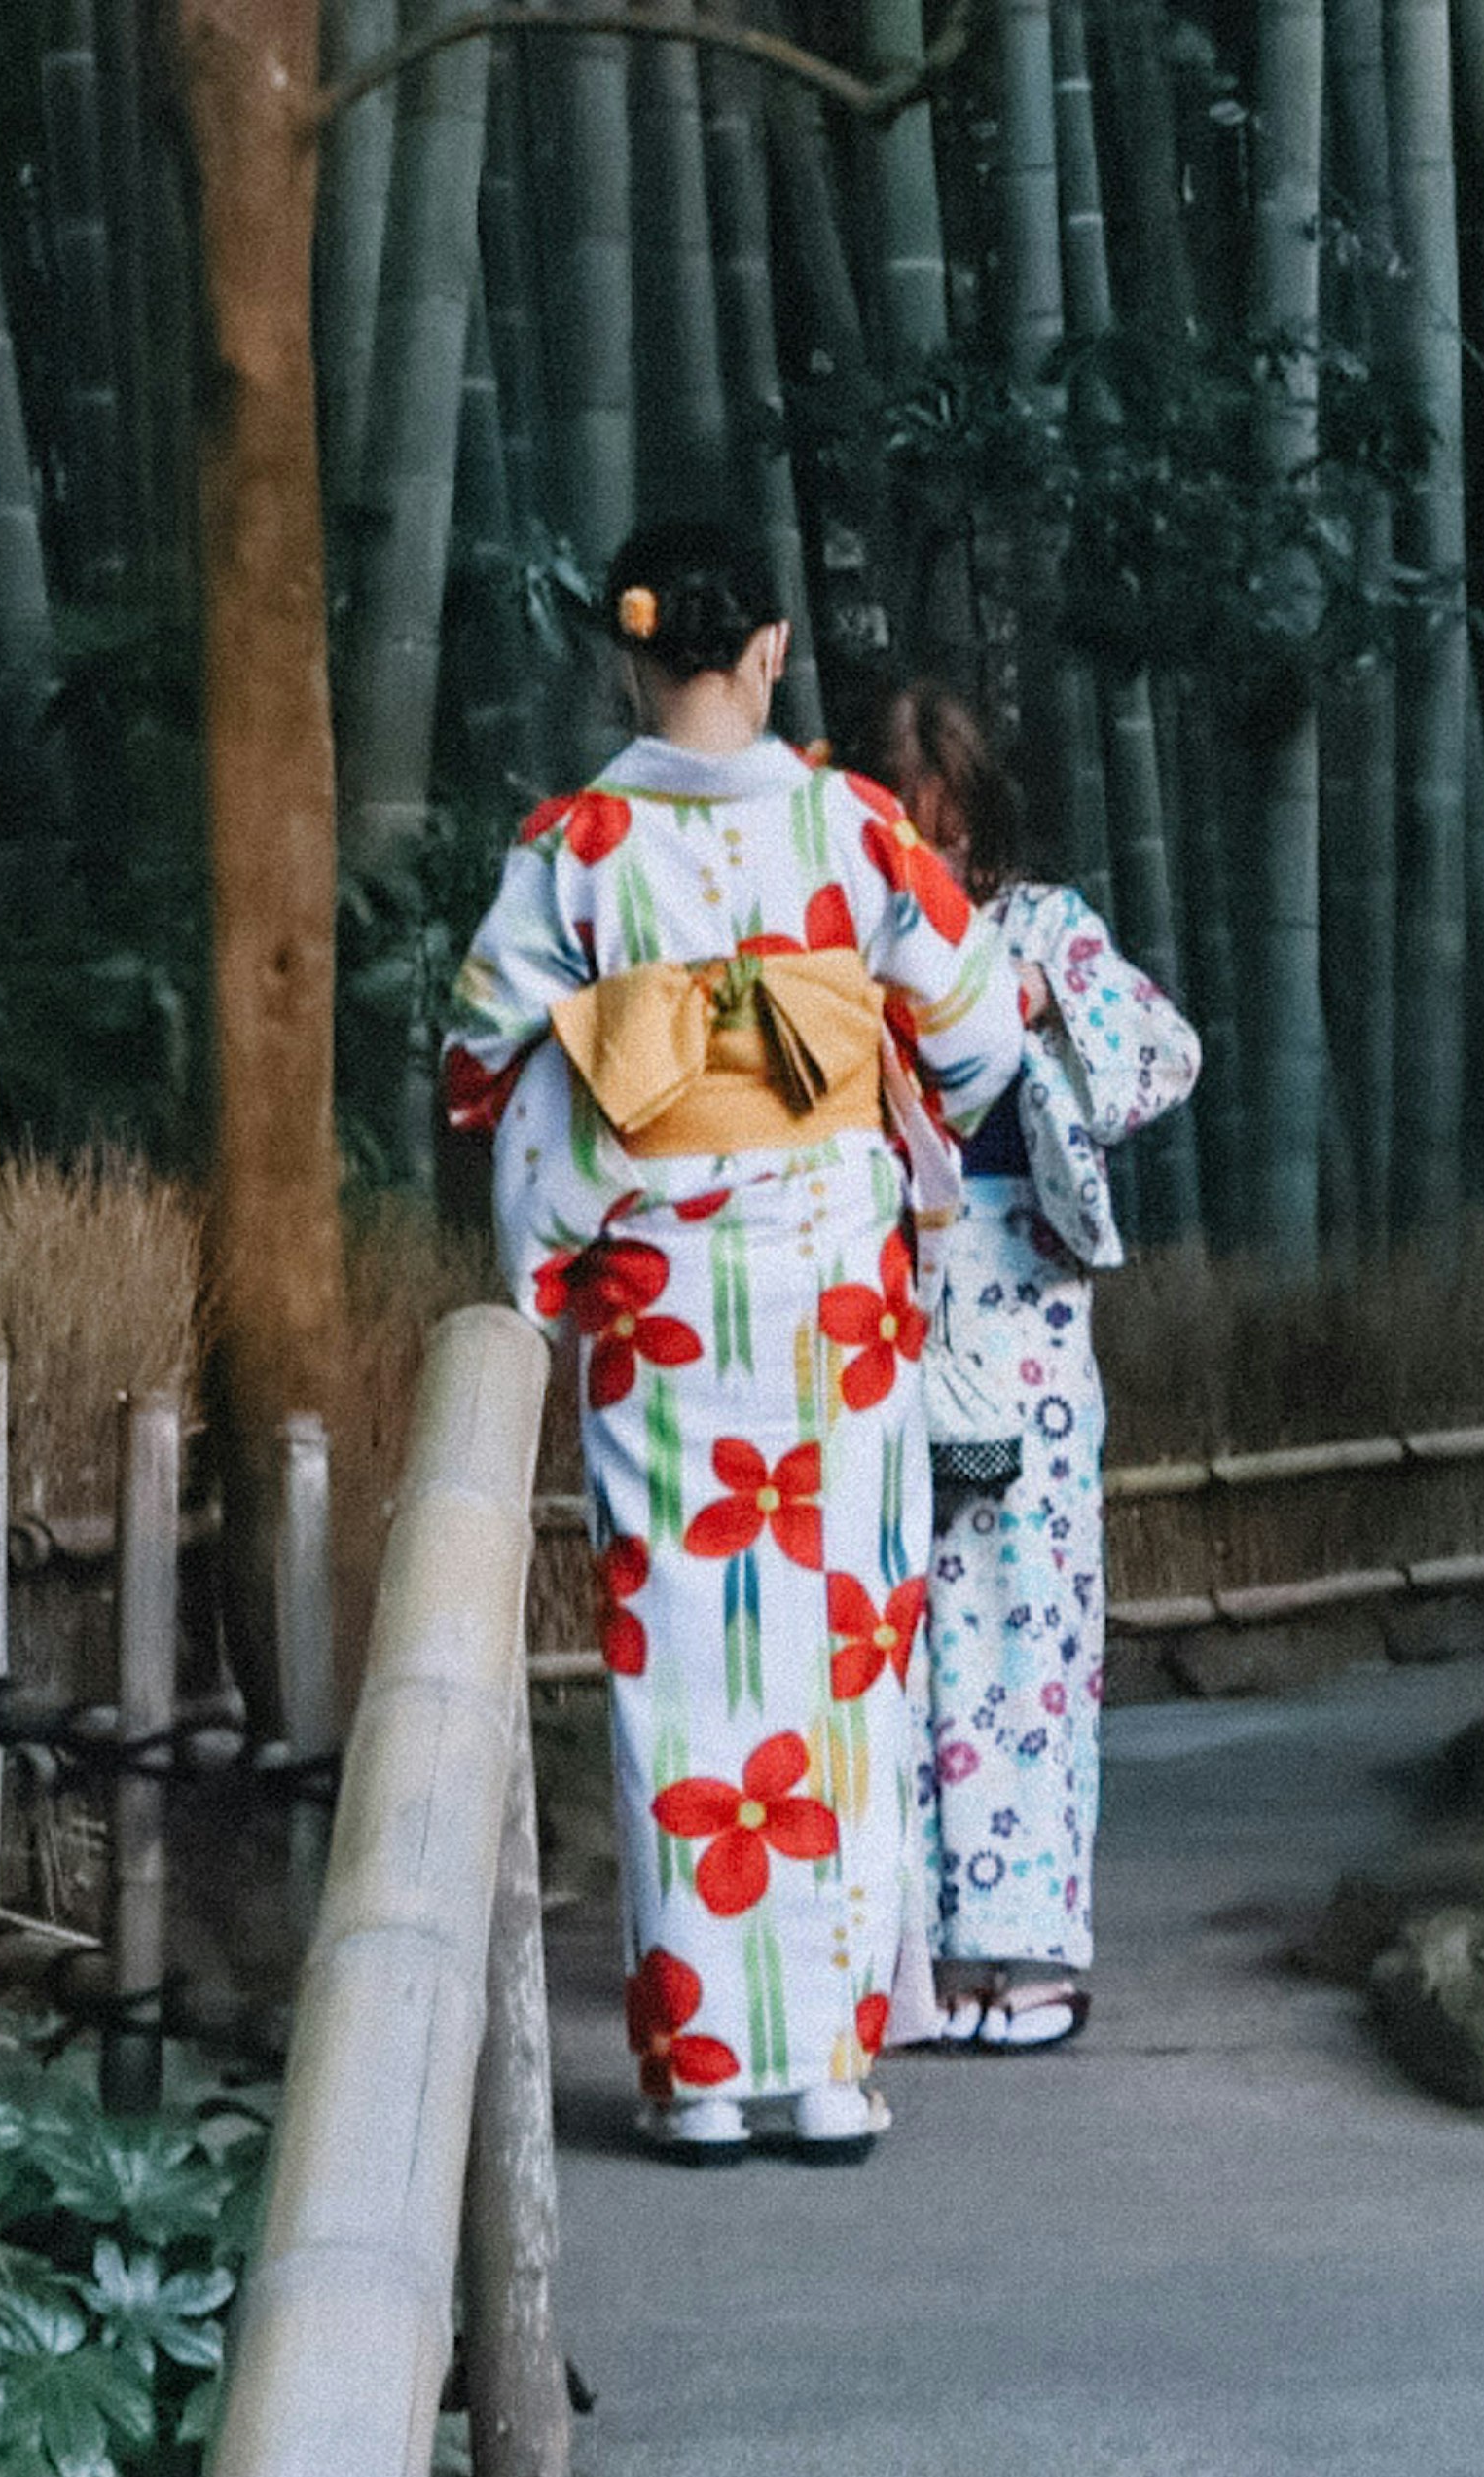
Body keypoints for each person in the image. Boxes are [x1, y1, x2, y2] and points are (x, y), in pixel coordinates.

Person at [443, 528, 1020, 2163]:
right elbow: (976, 1030)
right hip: (835, 1309)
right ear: (768, 649)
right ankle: (829, 2068)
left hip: (657, 1314)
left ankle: (698, 2076)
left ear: (631, 656)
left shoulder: (573, 845)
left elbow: (481, 1053)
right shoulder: (851, 828)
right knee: (843, 1651)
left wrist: (632, 1061)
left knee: (678, 1669)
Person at [861, 681, 1199, 2049]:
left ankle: (1034, 1948)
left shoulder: (1044, 926)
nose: (934, 859)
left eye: (949, 834)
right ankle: (926, 1955)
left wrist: (1052, 1001)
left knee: (1029, 1628)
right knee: (905, 1629)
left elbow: (1160, 1058)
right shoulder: (852, 936)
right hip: (885, 1297)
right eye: (910, 830)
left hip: (1028, 1305)